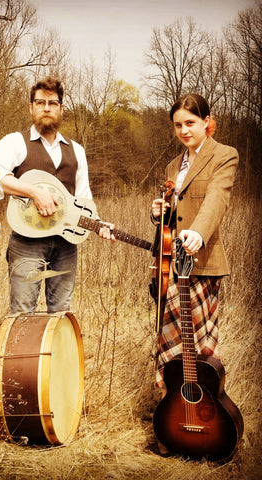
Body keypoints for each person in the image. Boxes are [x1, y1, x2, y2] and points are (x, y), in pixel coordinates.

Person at [0, 76, 113, 314]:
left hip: (66, 244)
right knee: (22, 313)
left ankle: (57, 353)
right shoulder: (15, 143)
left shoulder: (77, 151)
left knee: (61, 313)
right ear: (31, 107)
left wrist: (97, 223)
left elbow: (83, 198)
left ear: (62, 108)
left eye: (52, 103)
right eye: (40, 103)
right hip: (26, 243)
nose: (46, 108)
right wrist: (33, 192)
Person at [151, 93, 239, 392]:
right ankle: (172, 405)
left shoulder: (224, 155)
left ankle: (205, 410)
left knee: (200, 349)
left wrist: (198, 232)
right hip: (173, 267)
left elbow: (217, 197)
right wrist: (160, 212)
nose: (184, 131)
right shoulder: (173, 166)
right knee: (172, 341)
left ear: (206, 121)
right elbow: (174, 214)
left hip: (203, 263)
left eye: (190, 123)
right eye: (178, 125)